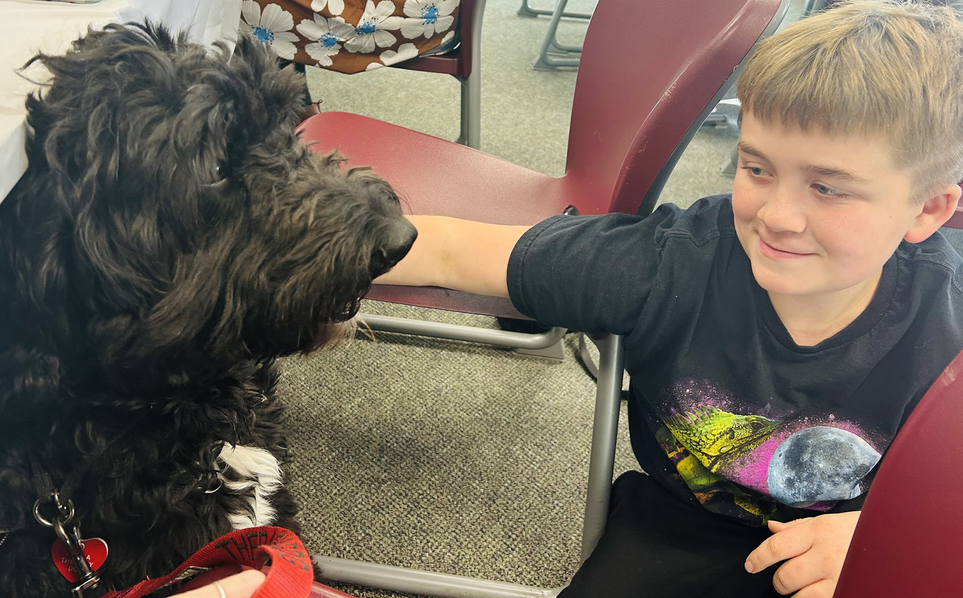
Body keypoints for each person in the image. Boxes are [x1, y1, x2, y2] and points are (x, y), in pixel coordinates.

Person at [374, 1, 963, 596]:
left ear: (926, 209)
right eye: (757, 169)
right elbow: (454, 250)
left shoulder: (951, 318)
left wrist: (874, 536)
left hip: (872, 546)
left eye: (827, 188)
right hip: (682, 528)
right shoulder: (673, 260)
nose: (777, 217)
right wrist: (302, 245)